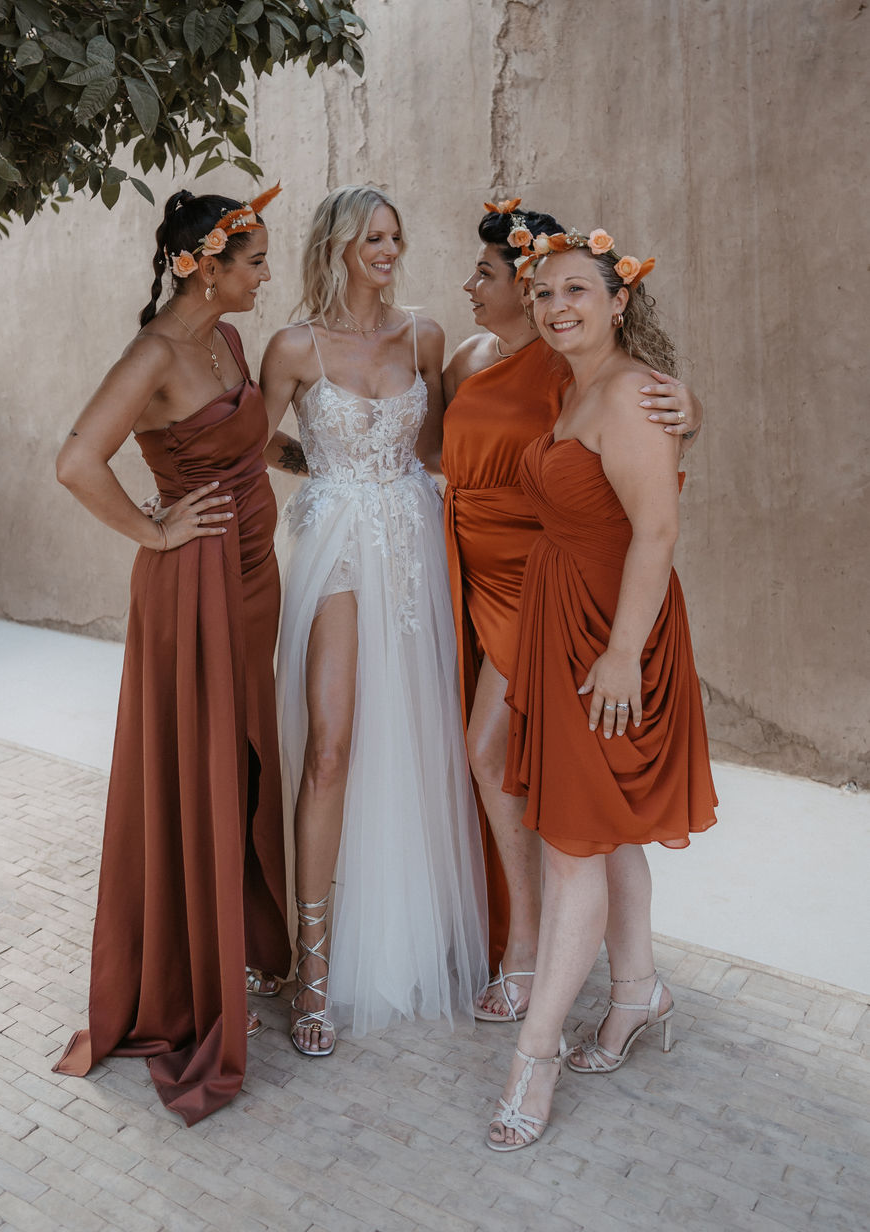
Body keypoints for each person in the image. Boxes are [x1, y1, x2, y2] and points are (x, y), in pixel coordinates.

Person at [52, 186, 290, 1127]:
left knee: (242, 761)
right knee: (200, 768)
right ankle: (190, 982)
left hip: (253, 578)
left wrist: (332, 461)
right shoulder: (152, 355)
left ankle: (237, 946)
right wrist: (154, 533)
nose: (265, 275)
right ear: (206, 267)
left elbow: (246, 443)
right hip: (192, 589)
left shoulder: (225, 338)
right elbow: (76, 463)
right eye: (255, 261)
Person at [442, 201, 702, 1023]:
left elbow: (647, 447)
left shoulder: (573, 363)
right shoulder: (471, 358)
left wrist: (690, 409)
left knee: (514, 763)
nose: (476, 285)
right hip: (478, 574)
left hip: (550, 587)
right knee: (544, 775)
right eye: (538, 287)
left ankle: (539, 956)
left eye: (490, 273)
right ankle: (626, 981)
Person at [486, 227, 717, 1153]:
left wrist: (622, 656)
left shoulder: (623, 392)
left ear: (619, 301)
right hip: (569, 622)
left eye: (576, 290)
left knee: (572, 847)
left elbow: (656, 532)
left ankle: (533, 1056)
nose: (555, 307)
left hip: (612, 637)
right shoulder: (578, 385)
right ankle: (634, 995)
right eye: (543, 293)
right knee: (602, 829)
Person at [261, 185, 487, 1056]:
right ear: (336, 247)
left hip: (411, 540)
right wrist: (318, 466)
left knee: (416, 737)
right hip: (334, 543)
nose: (388, 251)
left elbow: (433, 449)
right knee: (330, 747)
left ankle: (407, 937)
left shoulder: (423, 335)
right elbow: (251, 443)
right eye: (372, 239)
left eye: (395, 236)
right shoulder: (293, 346)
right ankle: (312, 977)